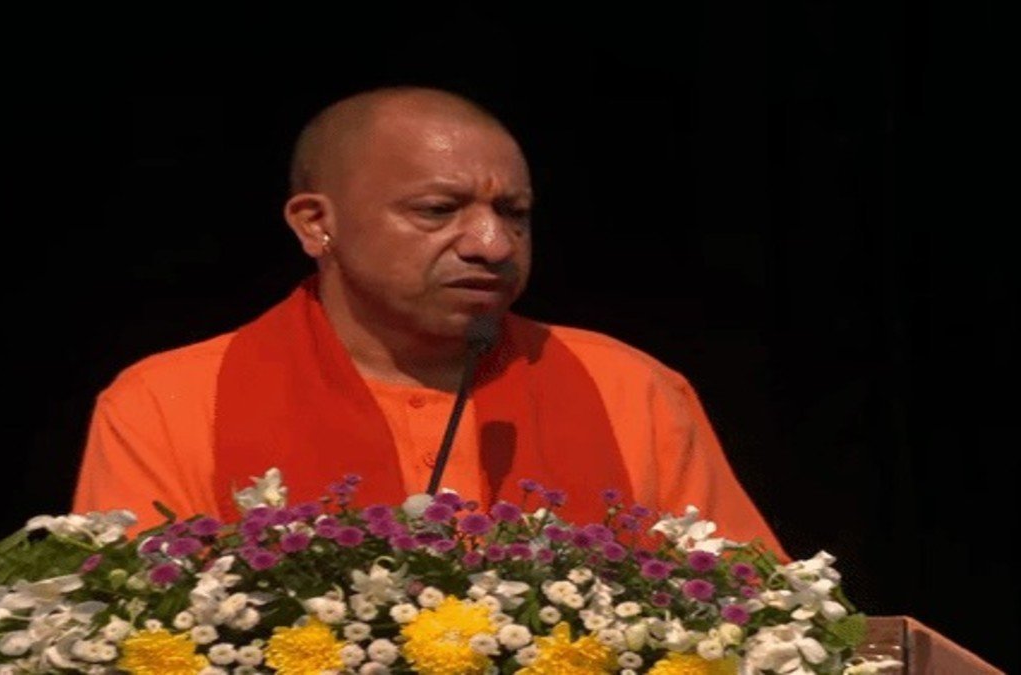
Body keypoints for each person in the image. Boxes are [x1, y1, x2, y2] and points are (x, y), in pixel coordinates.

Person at [72, 85, 788, 560]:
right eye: (439, 211)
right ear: (316, 224)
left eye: (514, 213)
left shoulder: (629, 387)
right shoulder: (167, 401)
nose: (493, 244)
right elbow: (126, 634)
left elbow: (762, 620)